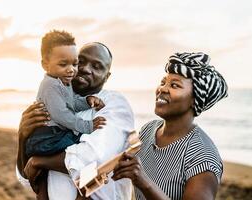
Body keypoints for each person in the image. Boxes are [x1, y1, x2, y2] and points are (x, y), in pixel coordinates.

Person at [16, 42, 135, 200]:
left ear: (107, 76)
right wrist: (23, 138)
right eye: (81, 61)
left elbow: (93, 158)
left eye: (97, 66)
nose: (85, 69)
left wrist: (40, 161)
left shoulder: (113, 103)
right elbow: (26, 178)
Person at [112, 52, 228, 200]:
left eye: (174, 85)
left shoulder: (202, 157)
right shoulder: (148, 130)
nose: (162, 89)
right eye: (163, 82)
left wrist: (144, 182)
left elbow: (140, 178)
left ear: (195, 99)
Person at [24, 30, 106, 199]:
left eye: (74, 64)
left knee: (81, 154)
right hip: (46, 138)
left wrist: (88, 101)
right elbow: (62, 115)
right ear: (45, 65)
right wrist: (88, 126)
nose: (71, 70)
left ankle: (83, 188)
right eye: (63, 64)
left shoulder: (63, 80)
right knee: (82, 150)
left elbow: (72, 103)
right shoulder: (50, 86)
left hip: (54, 135)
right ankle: (86, 187)